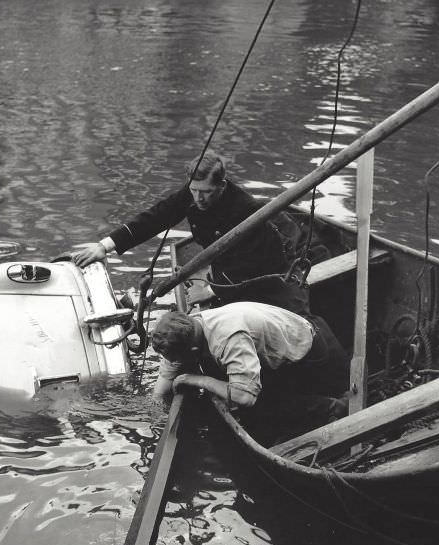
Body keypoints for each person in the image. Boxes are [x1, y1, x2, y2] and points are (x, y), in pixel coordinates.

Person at [71, 151, 310, 314]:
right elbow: (156, 218)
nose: (198, 198)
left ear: (222, 186)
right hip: (224, 269)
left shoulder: (245, 210)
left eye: (205, 192)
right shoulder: (193, 194)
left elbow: (255, 264)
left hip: (262, 278)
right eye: (194, 190)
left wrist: (209, 291)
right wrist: (105, 246)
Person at [150, 302, 349, 444]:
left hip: (309, 356)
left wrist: (197, 379)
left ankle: (332, 407)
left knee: (259, 409)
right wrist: (158, 415)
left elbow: (244, 397)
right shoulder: (189, 326)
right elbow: (163, 383)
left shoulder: (229, 338)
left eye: (177, 358)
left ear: (192, 350)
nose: (174, 363)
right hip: (283, 345)